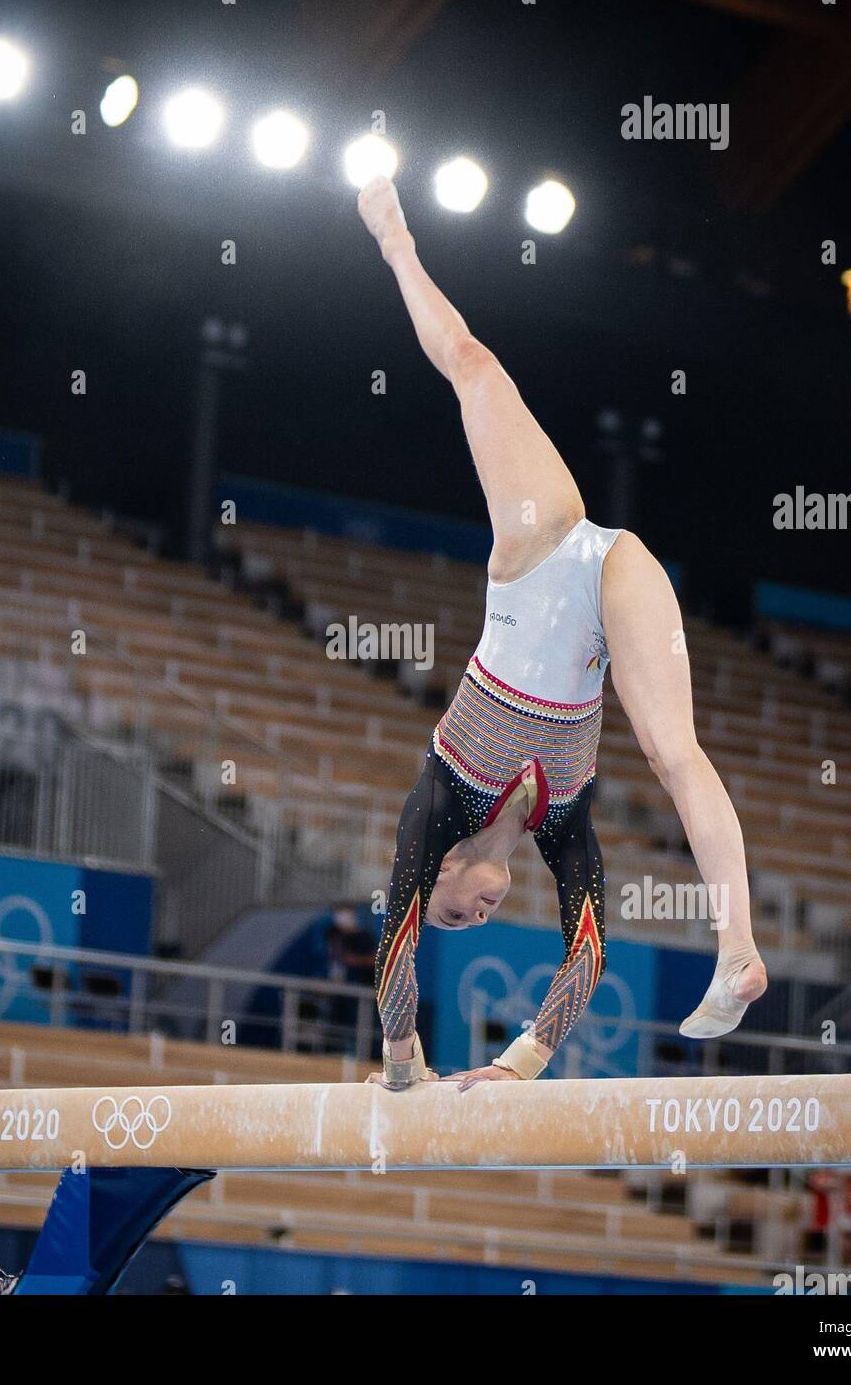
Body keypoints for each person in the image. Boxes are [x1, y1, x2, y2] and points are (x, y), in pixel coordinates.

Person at [356, 175, 767, 1090]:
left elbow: (395, 933)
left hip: (542, 551)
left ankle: (394, 240)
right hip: (619, 577)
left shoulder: (436, 802)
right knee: (673, 753)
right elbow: (588, 951)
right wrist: (521, 1063)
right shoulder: (561, 824)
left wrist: (398, 1060)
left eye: (455, 917)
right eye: (476, 926)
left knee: (470, 363)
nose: (479, 918)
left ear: (443, 879)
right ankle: (735, 948)